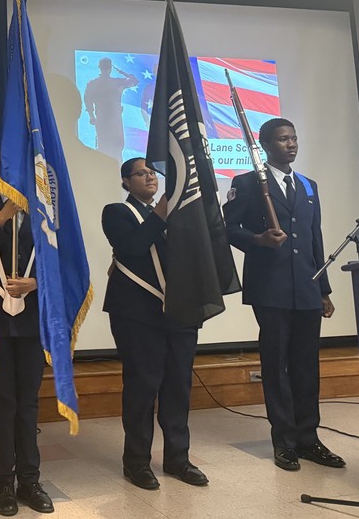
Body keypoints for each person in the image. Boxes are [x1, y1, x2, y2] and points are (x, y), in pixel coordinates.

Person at [222, 118, 345, 471]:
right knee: (277, 366)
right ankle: (285, 442)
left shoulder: (308, 185)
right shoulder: (247, 183)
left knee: (307, 367)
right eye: (282, 139)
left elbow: (314, 239)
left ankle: (309, 438)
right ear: (265, 145)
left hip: (307, 286)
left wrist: (323, 289)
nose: (291, 144)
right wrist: (257, 241)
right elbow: (228, 227)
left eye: (293, 138)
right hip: (271, 287)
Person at [101, 157, 207, 491]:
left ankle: (178, 458)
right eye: (140, 173)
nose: (149, 177)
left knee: (178, 387)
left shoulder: (178, 215)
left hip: (178, 311)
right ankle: (136, 462)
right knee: (142, 387)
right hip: (137, 313)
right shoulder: (117, 212)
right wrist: (161, 212)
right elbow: (132, 246)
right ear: (125, 182)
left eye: (152, 172)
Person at [0, 148, 53, 516]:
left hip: (31, 318)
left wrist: (36, 283)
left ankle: (30, 481)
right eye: (7, 159)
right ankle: (4, 479)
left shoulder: (44, 205)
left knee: (29, 404)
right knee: (2, 403)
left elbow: (59, 257)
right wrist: (3, 215)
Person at [83, 57, 138, 160]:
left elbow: (88, 101)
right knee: (115, 149)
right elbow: (135, 81)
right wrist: (121, 72)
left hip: (103, 120)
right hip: (114, 121)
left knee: (103, 147)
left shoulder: (92, 83)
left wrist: (91, 116)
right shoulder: (118, 82)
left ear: (99, 67)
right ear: (110, 68)